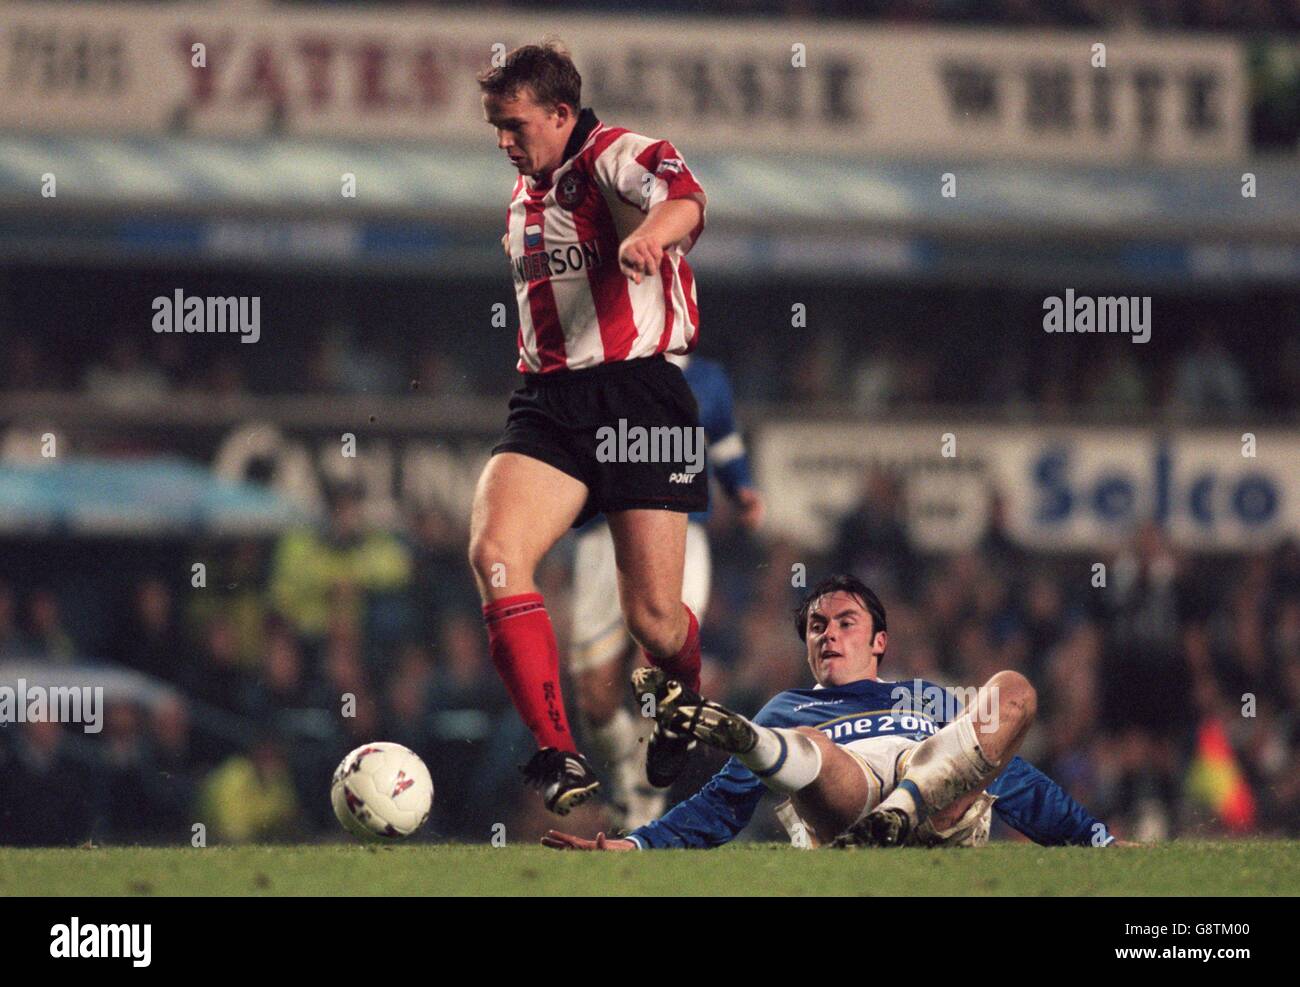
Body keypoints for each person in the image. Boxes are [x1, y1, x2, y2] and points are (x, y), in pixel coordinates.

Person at [468, 41, 711, 814]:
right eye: (495, 129)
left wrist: (652, 234)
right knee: (495, 552)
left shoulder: (615, 155)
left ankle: (684, 700)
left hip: (641, 395)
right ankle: (559, 752)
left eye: (514, 125)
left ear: (561, 113)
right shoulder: (522, 195)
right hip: (547, 402)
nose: (504, 142)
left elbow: (687, 197)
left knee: (655, 621)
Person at [542, 575, 1122, 849]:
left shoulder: (928, 695)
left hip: (945, 808)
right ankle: (744, 738)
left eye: (847, 623)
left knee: (1011, 689)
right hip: (850, 807)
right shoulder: (789, 707)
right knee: (813, 751)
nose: (829, 635)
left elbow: (1008, 775)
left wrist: (1094, 839)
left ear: (879, 643)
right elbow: (723, 805)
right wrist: (639, 843)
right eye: (817, 626)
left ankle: (904, 804)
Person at [569, 352, 763, 828]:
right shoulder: (595, 367)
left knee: (655, 672)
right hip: (603, 537)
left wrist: (741, 487)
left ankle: (644, 802)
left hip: (680, 534)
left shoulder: (707, 377)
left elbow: (722, 439)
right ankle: (625, 781)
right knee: (595, 698)